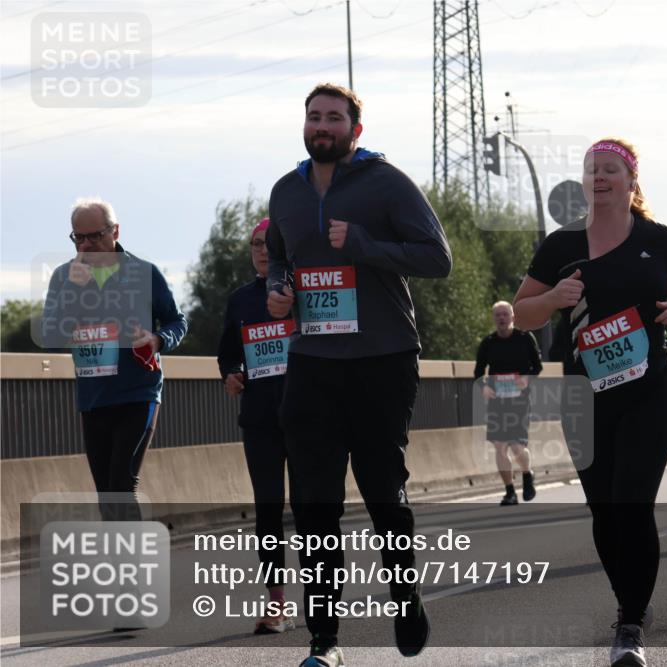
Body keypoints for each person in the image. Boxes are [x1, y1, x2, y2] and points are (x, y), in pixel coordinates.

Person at [266, 84, 451, 667]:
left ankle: (404, 593)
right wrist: (278, 288)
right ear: (305, 126)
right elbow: (278, 254)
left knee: (381, 493)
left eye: (334, 118)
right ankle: (324, 641)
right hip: (313, 361)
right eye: (315, 117)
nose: (323, 126)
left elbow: (437, 259)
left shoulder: (386, 181)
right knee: (315, 503)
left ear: (355, 130)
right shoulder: (287, 191)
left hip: (382, 359)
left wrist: (366, 244)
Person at [513, 137, 667, 667]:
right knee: (603, 508)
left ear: (631, 181)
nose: (599, 177)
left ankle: (630, 622)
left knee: (631, 500)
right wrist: (552, 300)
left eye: (610, 170)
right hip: (584, 396)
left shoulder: (659, 239)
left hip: (648, 391)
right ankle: (630, 606)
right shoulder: (560, 246)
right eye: (592, 170)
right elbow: (522, 310)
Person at [41, 198, 187, 522]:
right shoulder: (65, 278)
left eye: (96, 236)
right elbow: (51, 337)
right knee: (106, 493)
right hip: (94, 398)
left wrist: (159, 339)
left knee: (121, 485)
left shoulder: (144, 273)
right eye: (79, 238)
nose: (87, 245)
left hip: (139, 392)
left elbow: (177, 321)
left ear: (115, 231)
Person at [216, 218, 297, 634]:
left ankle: (322, 596)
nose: (262, 250)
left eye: (269, 243)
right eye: (255, 244)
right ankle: (276, 604)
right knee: (268, 513)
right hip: (260, 420)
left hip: (306, 418)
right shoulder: (241, 300)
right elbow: (228, 353)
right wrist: (231, 374)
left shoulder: (301, 292)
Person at [474, 301, 543, 505]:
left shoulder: (524, 339)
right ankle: (509, 491)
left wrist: (527, 379)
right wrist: (484, 387)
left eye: (505, 314)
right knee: (499, 446)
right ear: (494, 319)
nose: (501, 318)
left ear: (512, 317)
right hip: (497, 401)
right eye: (497, 315)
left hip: (519, 400)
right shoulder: (488, 343)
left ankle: (527, 473)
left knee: (516, 446)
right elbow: (478, 372)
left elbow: (537, 367)